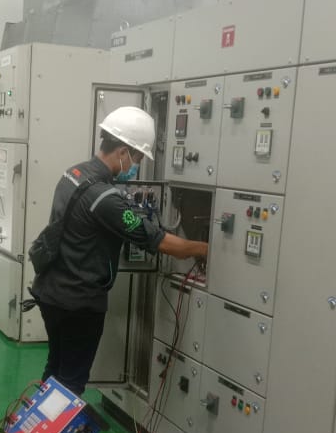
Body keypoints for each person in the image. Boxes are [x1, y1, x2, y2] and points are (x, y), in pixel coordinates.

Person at [31, 106, 209, 396]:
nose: (135, 165)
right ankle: (54, 425)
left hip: (50, 291)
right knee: (72, 382)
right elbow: (159, 241)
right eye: (137, 158)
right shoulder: (105, 198)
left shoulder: (73, 173)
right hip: (78, 302)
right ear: (123, 151)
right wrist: (203, 248)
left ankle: (36, 422)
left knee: (56, 368)